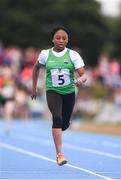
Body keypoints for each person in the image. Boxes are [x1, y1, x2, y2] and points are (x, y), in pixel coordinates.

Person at [31, 26, 86, 166]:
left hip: (68, 92)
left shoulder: (73, 55)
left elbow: (83, 74)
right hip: (52, 90)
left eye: (64, 38)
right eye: (58, 38)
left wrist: (80, 80)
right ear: (53, 39)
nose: (61, 40)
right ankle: (59, 154)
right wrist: (34, 87)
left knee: (64, 124)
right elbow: (36, 67)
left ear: (67, 41)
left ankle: (64, 124)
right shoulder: (45, 54)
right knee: (57, 117)